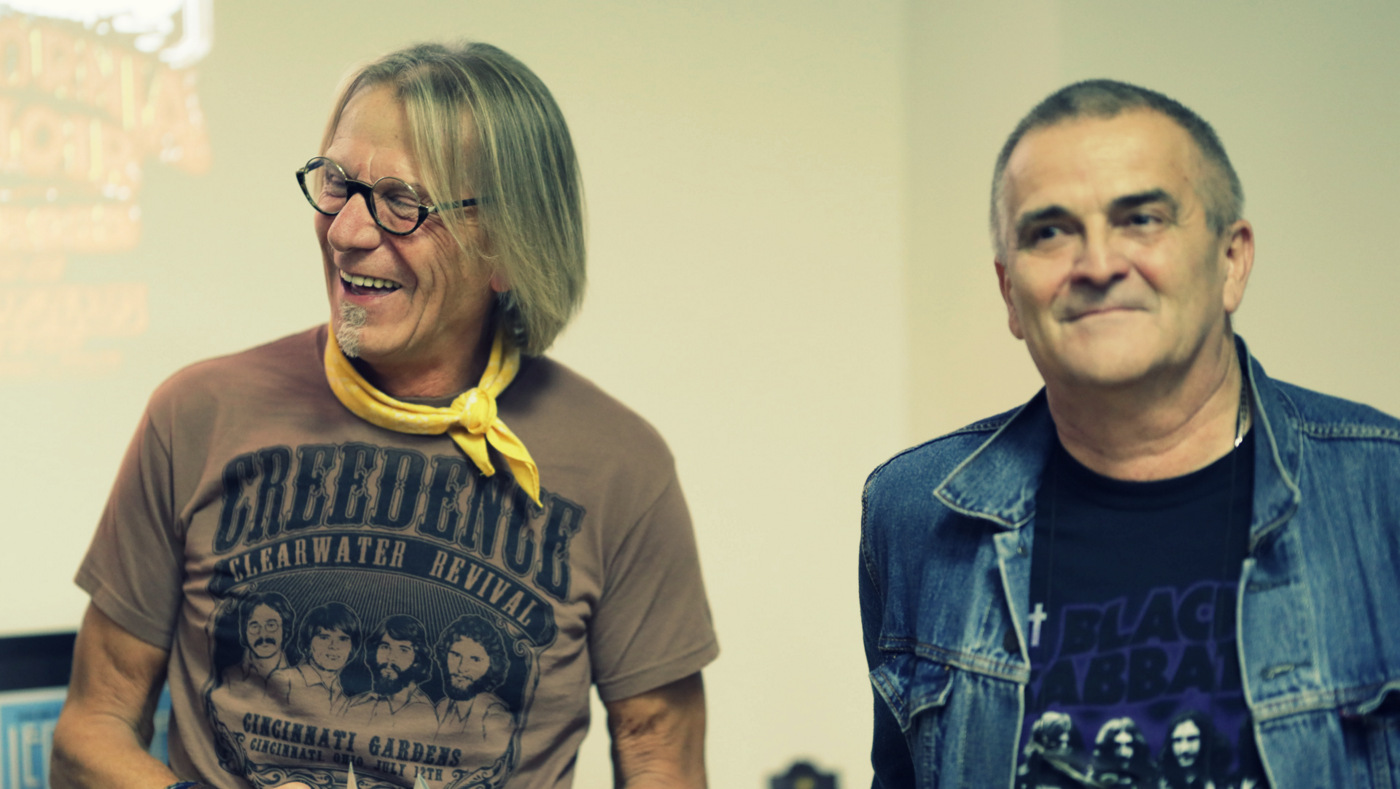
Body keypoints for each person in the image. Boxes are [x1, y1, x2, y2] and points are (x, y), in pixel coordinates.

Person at [51, 40, 717, 789]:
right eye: (337, 184)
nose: (344, 231)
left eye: (403, 201)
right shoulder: (195, 415)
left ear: (507, 246)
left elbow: (661, 757)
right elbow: (88, 731)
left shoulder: (622, 465)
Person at [859, 78, 1400, 787]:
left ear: (1231, 260)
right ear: (1010, 292)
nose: (1098, 265)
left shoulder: (1382, 492)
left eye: (1141, 219)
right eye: (1050, 232)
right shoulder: (916, 515)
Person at [432, 614, 514, 770]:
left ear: (491, 665)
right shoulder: (442, 707)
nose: (461, 667)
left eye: (475, 659)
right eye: (455, 655)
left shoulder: (494, 716)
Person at [341, 615, 439, 734]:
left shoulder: (422, 712)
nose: (391, 657)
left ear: (417, 660)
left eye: (403, 650)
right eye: (385, 647)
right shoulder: (355, 703)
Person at [269, 602, 362, 717]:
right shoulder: (285, 681)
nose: (334, 646)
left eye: (343, 639)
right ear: (308, 643)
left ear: (352, 647)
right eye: (324, 637)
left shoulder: (343, 699)